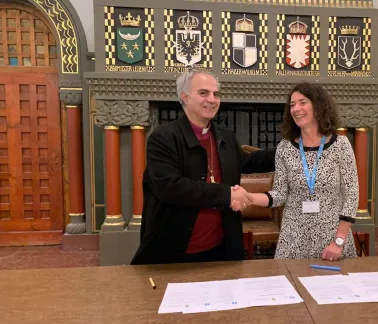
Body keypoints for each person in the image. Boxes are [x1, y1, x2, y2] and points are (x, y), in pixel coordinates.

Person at [130, 69, 275, 265]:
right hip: (176, 252)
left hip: (222, 248)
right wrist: (227, 194)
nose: (212, 99)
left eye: (216, 94)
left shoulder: (225, 136)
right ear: (185, 97)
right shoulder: (164, 137)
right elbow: (170, 188)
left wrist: (290, 148)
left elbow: (247, 162)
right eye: (203, 93)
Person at [245, 82, 359, 261]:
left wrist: (338, 241)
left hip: (331, 238)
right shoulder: (285, 147)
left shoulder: (341, 145)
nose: (296, 108)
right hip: (293, 238)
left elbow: (351, 195)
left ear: (318, 106)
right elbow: (279, 195)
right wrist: (248, 197)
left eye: (302, 102)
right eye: (292, 105)